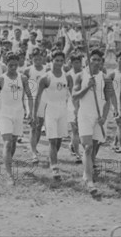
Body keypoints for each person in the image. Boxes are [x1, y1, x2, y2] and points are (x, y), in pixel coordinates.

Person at [72, 49, 114, 194]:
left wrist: (104, 116)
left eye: (99, 60)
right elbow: (75, 97)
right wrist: (87, 87)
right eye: (93, 59)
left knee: (95, 146)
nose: (96, 62)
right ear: (88, 61)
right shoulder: (80, 76)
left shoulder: (106, 78)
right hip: (84, 115)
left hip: (99, 117)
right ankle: (89, 180)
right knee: (88, 147)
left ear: (102, 62)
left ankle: (88, 169)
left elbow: (108, 100)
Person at [0, 52, 33, 185]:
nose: (13, 67)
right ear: (6, 64)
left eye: (16, 64)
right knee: (7, 143)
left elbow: (29, 96)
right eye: (10, 65)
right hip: (5, 113)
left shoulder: (23, 78)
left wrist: (30, 111)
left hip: (18, 112)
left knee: (13, 142)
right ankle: (9, 175)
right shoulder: (0, 80)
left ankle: (8, 160)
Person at [34, 51, 73, 180]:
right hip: (50, 109)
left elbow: (73, 95)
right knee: (52, 139)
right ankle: (55, 167)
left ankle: (52, 157)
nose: (59, 63)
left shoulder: (67, 77)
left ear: (64, 62)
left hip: (63, 109)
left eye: (61, 61)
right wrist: (35, 114)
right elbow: (38, 97)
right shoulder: (46, 78)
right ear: (52, 61)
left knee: (59, 139)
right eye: (56, 60)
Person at [25, 48, 50, 163]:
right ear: (31, 59)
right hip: (31, 99)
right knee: (33, 125)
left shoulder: (47, 69)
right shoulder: (27, 70)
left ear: (43, 58)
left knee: (39, 125)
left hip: (44, 99)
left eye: (40, 58)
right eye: (35, 58)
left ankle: (34, 146)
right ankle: (33, 151)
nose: (38, 60)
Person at [108, 51, 121, 154]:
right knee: (120, 125)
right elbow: (108, 89)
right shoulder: (112, 74)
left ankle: (114, 144)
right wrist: (114, 106)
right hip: (116, 102)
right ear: (117, 60)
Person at [66, 54, 83, 163]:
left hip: (84, 103)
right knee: (75, 129)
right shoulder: (68, 75)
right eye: (75, 62)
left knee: (81, 129)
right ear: (71, 63)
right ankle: (78, 153)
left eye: (79, 62)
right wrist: (75, 107)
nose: (78, 64)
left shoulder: (84, 74)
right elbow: (71, 93)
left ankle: (72, 144)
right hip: (72, 103)